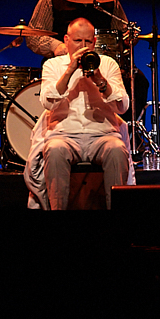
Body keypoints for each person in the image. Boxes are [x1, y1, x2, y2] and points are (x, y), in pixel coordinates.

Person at [27, 0, 148, 121]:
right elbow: (33, 36)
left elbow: (123, 32)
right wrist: (59, 47)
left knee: (138, 82)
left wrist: (129, 39)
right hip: (65, 65)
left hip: (102, 66)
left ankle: (128, 136)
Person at [23, 18, 131, 210]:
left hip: (102, 136)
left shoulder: (107, 64)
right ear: (66, 40)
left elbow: (122, 106)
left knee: (116, 149)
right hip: (64, 136)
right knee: (54, 149)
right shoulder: (53, 65)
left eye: (88, 42)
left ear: (95, 42)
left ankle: (117, 222)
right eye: (77, 41)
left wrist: (100, 80)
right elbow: (48, 102)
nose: (83, 46)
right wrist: (70, 70)